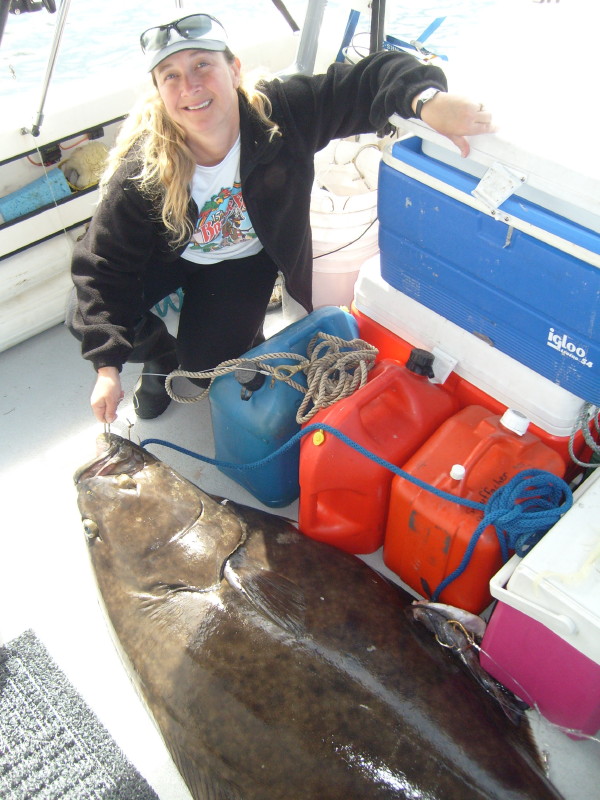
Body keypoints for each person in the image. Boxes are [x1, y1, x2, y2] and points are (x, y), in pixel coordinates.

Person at [67, 11, 494, 424]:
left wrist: (426, 101)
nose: (190, 86)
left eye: (202, 64)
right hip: (171, 257)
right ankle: (158, 355)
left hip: (242, 261)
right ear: (159, 92)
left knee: (202, 369)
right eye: (171, 76)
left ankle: (213, 343)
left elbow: (369, 79)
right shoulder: (145, 167)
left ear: (234, 70)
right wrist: (107, 368)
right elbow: (102, 267)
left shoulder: (283, 113)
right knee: (82, 314)